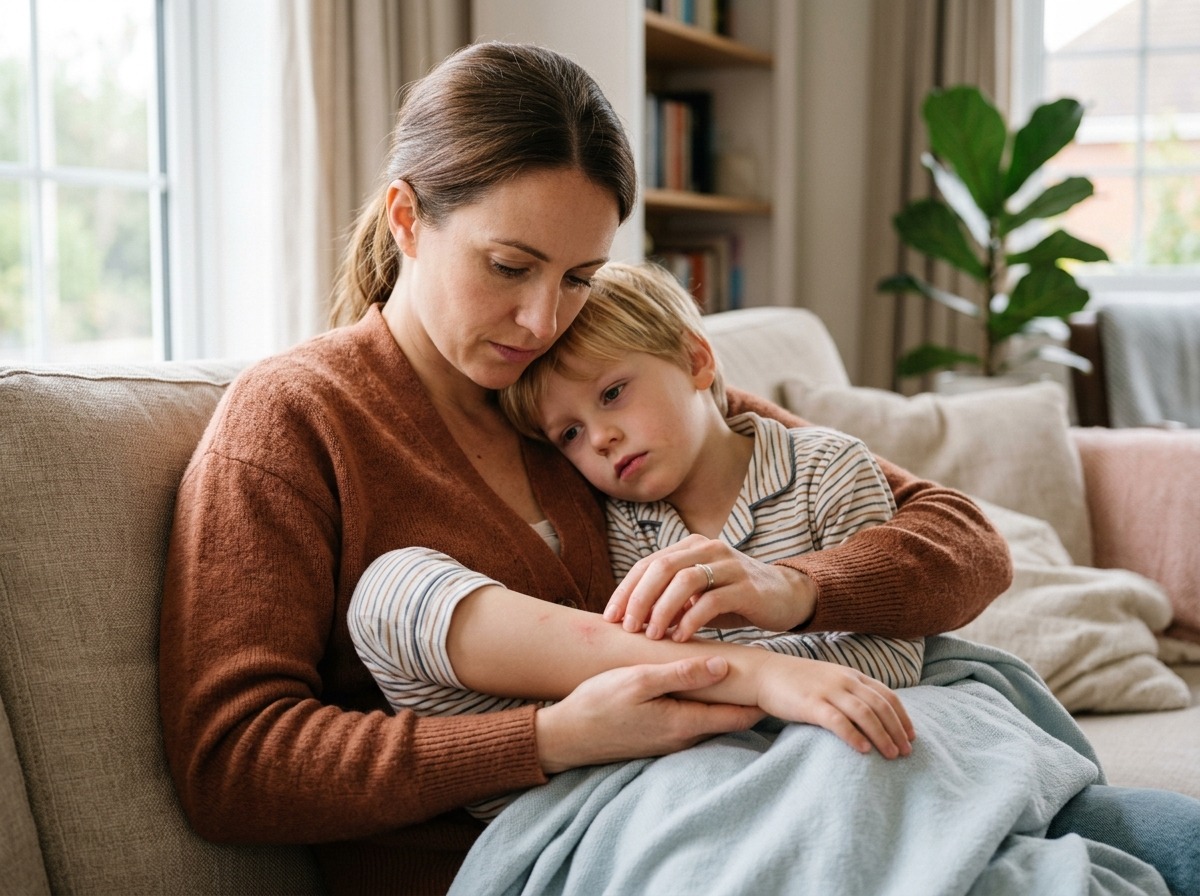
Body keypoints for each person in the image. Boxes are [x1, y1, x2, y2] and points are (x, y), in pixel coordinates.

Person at [159, 42, 1018, 896]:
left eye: (579, 275)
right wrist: (549, 740)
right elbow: (232, 764)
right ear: (407, 218)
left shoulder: (592, 385)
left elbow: (965, 543)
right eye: (509, 267)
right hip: (515, 863)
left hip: (726, 813)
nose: (540, 319)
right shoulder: (295, 417)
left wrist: (792, 586)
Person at [347, 262, 927, 823]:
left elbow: (897, 656)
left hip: (811, 748)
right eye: (569, 433)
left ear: (697, 360)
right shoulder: (619, 521)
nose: (600, 438)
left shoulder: (828, 468)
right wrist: (744, 681)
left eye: (613, 393)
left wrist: (762, 680)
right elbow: (624, 661)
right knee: (391, 590)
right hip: (673, 766)